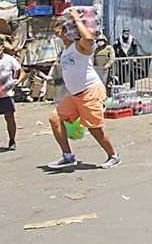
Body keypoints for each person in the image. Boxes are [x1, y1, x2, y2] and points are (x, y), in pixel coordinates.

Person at [48, 10, 120, 169]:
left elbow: (88, 37)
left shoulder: (79, 46)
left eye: (59, 30)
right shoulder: (65, 51)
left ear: (67, 31)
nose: (56, 34)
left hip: (90, 92)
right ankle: (67, 156)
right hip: (73, 96)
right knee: (55, 119)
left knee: (95, 129)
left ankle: (113, 156)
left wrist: (76, 18)